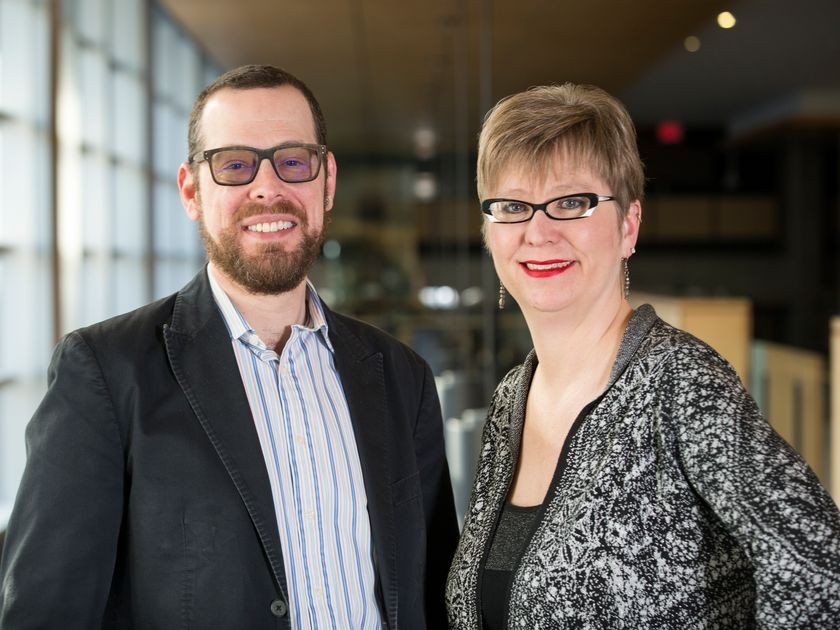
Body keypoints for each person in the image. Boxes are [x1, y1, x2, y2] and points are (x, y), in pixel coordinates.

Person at [0, 64, 458, 629]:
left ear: (327, 182)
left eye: (293, 160)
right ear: (192, 191)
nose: (268, 188)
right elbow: (47, 615)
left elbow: (437, 596)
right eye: (235, 164)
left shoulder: (401, 377)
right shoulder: (105, 373)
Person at [445, 83, 840, 628]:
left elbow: (819, 571)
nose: (538, 232)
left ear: (628, 224)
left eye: (570, 202)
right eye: (512, 206)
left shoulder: (682, 383)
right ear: (489, 230)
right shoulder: (513, 397)